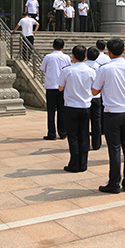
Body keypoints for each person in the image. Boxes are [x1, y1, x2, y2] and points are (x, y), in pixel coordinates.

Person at [92, 38, 125, 194]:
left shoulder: (104, 69)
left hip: (112, 112)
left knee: (114, 149)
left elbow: (94, 91)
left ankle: (114, 183)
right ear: (124, 51)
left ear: (109, 52)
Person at [58, 45, 96, 173]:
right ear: (85, 56)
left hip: (71, 107)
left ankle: (74, 163)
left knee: (73, 135)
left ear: (73, 56)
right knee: (84, 134)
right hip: (85, 106)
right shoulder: (91, 70)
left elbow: (60, 87)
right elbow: (94, 88)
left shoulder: (67, 70)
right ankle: (83, 163)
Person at [40, 38, 71, 140]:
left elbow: (42, 69)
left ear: (53, 46)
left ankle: (52, 133)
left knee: (51, 111)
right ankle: (63, 132)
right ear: (63, 47)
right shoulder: (66, 57)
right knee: (62, 111)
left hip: (51, 86)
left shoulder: (48, 57)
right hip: (62, 87)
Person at [85, 46, 102, 150]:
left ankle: (86, 143)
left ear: (86, 55)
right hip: (96, 97)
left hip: (85, 97)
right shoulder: (99, 67)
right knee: (96, 122)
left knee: (85, 122)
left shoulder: (83, 66)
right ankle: (96, 144)